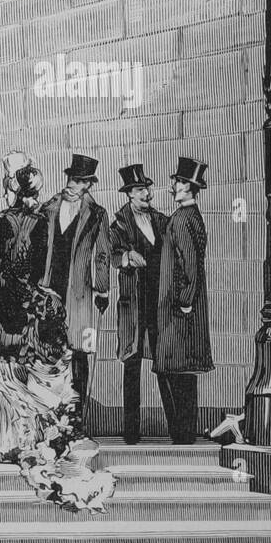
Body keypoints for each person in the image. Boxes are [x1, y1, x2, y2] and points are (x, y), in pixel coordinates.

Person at [0, 150, 79, 460]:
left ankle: (9, 440)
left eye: (6, 187)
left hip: (0, 304)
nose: (3, 192)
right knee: (23, 370)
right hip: (26, 304)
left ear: (13, 189)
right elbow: (39, 269)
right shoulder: (41, 222)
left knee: (5, 376)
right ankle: (29, 439)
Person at [40, 153, 111, 428]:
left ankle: (77, 420)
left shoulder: (97, 214)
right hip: (49, 290)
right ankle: (50, 419)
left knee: (78, 353)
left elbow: (102, 254)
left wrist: (102, 289)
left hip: (79, 293)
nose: (72, 185)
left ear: (89, 185)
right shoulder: (49, 207)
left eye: (80, 181)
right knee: (49, 352)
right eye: (71, 178)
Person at [155, 158, 213, 444]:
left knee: (174, 370)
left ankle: (182, 434)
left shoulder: (182, 219)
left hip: (178, 308)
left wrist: (185, 300)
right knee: (179, 371)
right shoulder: (189, 216)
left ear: (190, 188)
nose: (173, 186)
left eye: (179, 182)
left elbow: (191, 263)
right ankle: (183, 433)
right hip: (179, 304)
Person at [109, 164, 168, 444]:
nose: (146, 193)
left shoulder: (161, 220)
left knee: (164, 361)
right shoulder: (119, 223)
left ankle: (176, 428)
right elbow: (110, 253)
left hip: (158, 302)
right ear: (129, 194)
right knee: (131, 366)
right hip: (133, 303)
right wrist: (127, 256)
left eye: (147, 187)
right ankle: (131, 432)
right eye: (140, 189)